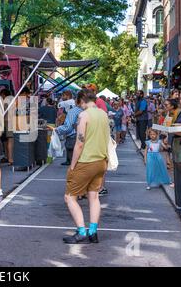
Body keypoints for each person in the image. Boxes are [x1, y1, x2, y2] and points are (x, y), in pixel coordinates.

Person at [62, 89, 110, 244]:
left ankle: (81, 231)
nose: (79, 106)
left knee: (70, 197)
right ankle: (93, 232)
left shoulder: (84, 115)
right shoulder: (103, 114)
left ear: (82, 100)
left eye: (79, 103)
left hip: (86, 161)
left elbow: (80, 142)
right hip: (101, 161)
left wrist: (72, 165)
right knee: (94, 196)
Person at [56, 93, 84, 166]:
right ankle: (69, 161)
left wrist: (58, 129)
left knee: (73, 158)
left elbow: (68, 127)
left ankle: (70, 162)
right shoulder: (86, 111)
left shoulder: (72, 111)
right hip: (84, 136)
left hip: (74, 135)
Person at [0, 89, 14, 166]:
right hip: (12, 121)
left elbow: (2, 112)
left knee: (9, 140)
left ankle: (10, 158)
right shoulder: (13, 99)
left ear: (4, 94)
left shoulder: (6, 100)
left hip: (7, 122)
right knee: (10, 140)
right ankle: (10, 158)